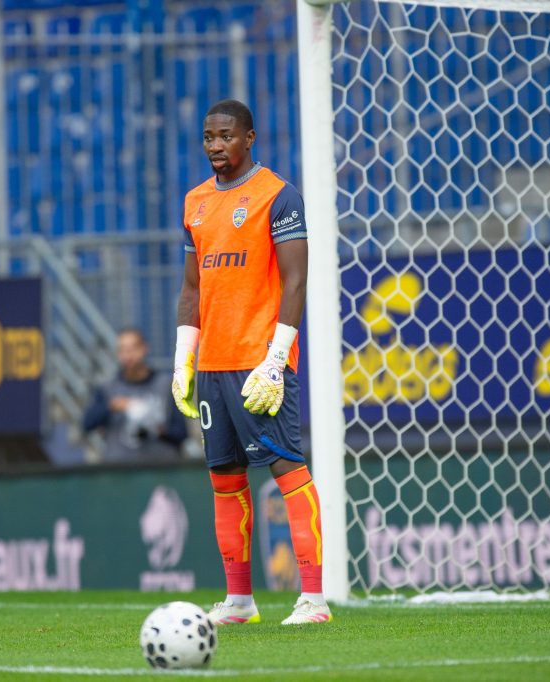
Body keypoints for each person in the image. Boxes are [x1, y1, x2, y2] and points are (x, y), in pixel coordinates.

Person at [171, 99, 331, 626]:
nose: (216, 145)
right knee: (224, 478)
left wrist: (276, 358)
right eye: (208, 137)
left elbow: (296, 280)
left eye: (226, 136)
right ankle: (240, 601)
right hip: (213, 365)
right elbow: (192, 287)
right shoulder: (195, 202)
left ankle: (314, 599)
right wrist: (183, 360)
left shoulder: (278, 196)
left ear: (249, 138)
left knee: (286, 467)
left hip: (261, 362)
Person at [82, 328, 186, 463]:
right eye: (122, 350)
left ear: (144, 348)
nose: (128, 355)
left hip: (160, 468)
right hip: (120, 469)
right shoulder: (107, 388)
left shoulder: (166, 385)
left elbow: (182, 432)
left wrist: (156, 428)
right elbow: (86, 424)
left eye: (133, 349)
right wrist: (112, 406)